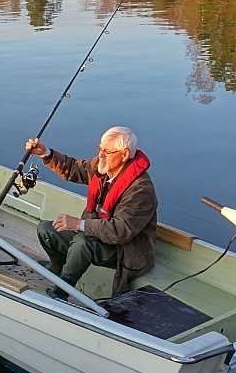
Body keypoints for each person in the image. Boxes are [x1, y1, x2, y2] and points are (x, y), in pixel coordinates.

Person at [28, 126, 157, 299]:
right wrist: (46, 153)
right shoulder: (103, 166)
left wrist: (79, 224)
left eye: (107, 152)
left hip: (125, 250)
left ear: (125, 154)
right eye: (100, 149)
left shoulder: (141, 190)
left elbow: (120, 231)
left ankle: (61, 290)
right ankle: (57, 269)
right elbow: (75, 168)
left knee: (83, 243)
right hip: (96, 233)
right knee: (46, 229)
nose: (101, 155)